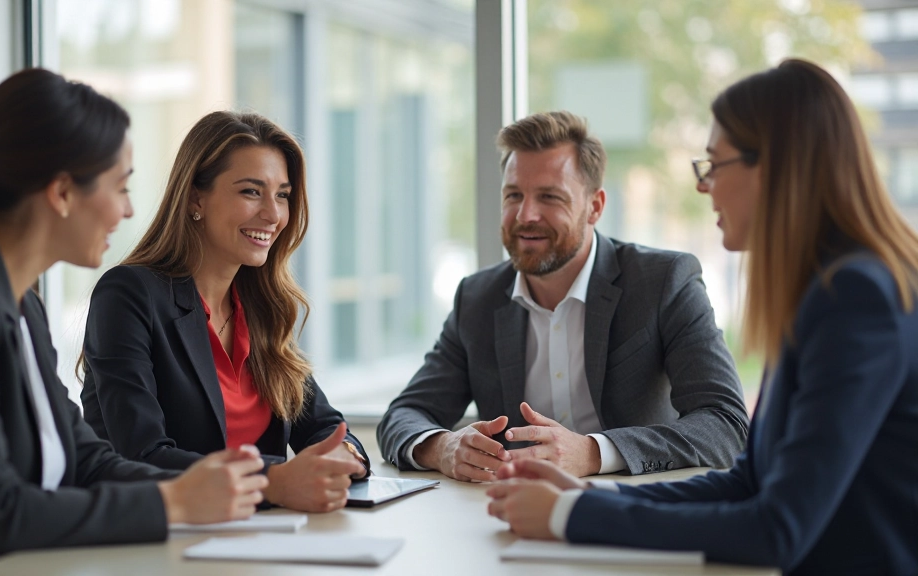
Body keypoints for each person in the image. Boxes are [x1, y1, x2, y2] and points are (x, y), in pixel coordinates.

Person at [487, 59, 918, 576]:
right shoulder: (821, 290)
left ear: (775, 168)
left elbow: (775, 529)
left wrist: (569, 517)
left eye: (714, 164)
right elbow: (748, 482)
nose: (704, 185)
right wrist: (584, 499)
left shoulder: (855, 298)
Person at [0, 69, 268, 576]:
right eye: (121, 187)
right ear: (63, 193)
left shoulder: (22, 305)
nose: (128, 209)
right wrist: (172, 504)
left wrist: (199, 487)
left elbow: (86, 460)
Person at [378, 111, 748, 482]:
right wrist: (442, 447)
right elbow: (404, 415)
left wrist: (593, 452)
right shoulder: (477, 298)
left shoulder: (664, 281)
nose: (526, 215)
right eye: (513, 195)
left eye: (549, 197)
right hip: (510, 508)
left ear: (595, 207)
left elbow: (725, 424)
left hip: (634, 505)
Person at [80, 111, 369, 514]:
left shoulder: (261, 305)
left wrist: (345, 456)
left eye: (282, 195)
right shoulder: (129, 294)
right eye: (251, 191)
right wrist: (275, 481)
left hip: (260, 533)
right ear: (195, 198)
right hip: (163, 533)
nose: (273, 215)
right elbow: (142, 455)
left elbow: (324, 427)